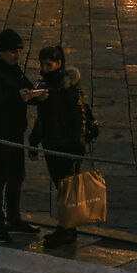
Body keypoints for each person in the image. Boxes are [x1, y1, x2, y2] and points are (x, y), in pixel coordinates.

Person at [0, 27, 48, 244]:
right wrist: (19, 98)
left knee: (17, 175)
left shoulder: (12, 67)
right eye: (12, 52)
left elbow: (25, 87)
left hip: (15, 132)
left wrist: (35, 95)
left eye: (18, 52)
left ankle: (14, 220)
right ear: (2, 51)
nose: (16, 56)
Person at [32, 43, 97, 247]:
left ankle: (67, 230)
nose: (44, 68)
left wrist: (77, 146)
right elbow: (42, 117)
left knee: (67, 189)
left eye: (49, 64)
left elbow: (79, 117)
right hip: (51, 144)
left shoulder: (69, 88)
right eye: (42, 64)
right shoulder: (44, 85)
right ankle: (66, 227)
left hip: (66, 146)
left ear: (59, 63)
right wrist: (34, 140)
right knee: (61, 188)